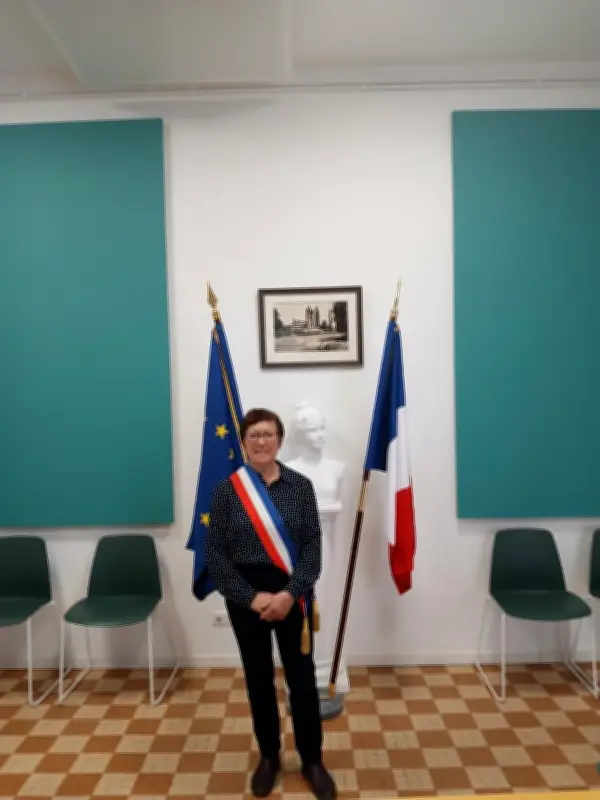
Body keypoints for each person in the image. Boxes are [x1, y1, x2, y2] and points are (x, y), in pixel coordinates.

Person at [205, 407, 336, 800]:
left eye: (268, 434)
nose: (261, 442)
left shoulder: (301, 486)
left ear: (279, 440)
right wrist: (251, 597)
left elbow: (312, 548)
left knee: (302, 681)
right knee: (259, 680)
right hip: (247, 598)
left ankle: (312, 760)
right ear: (244, 443)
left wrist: (289, 593)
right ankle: (268, 757)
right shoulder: (228, 491)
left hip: (291, 596)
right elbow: (216, 557)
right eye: (254, 435)